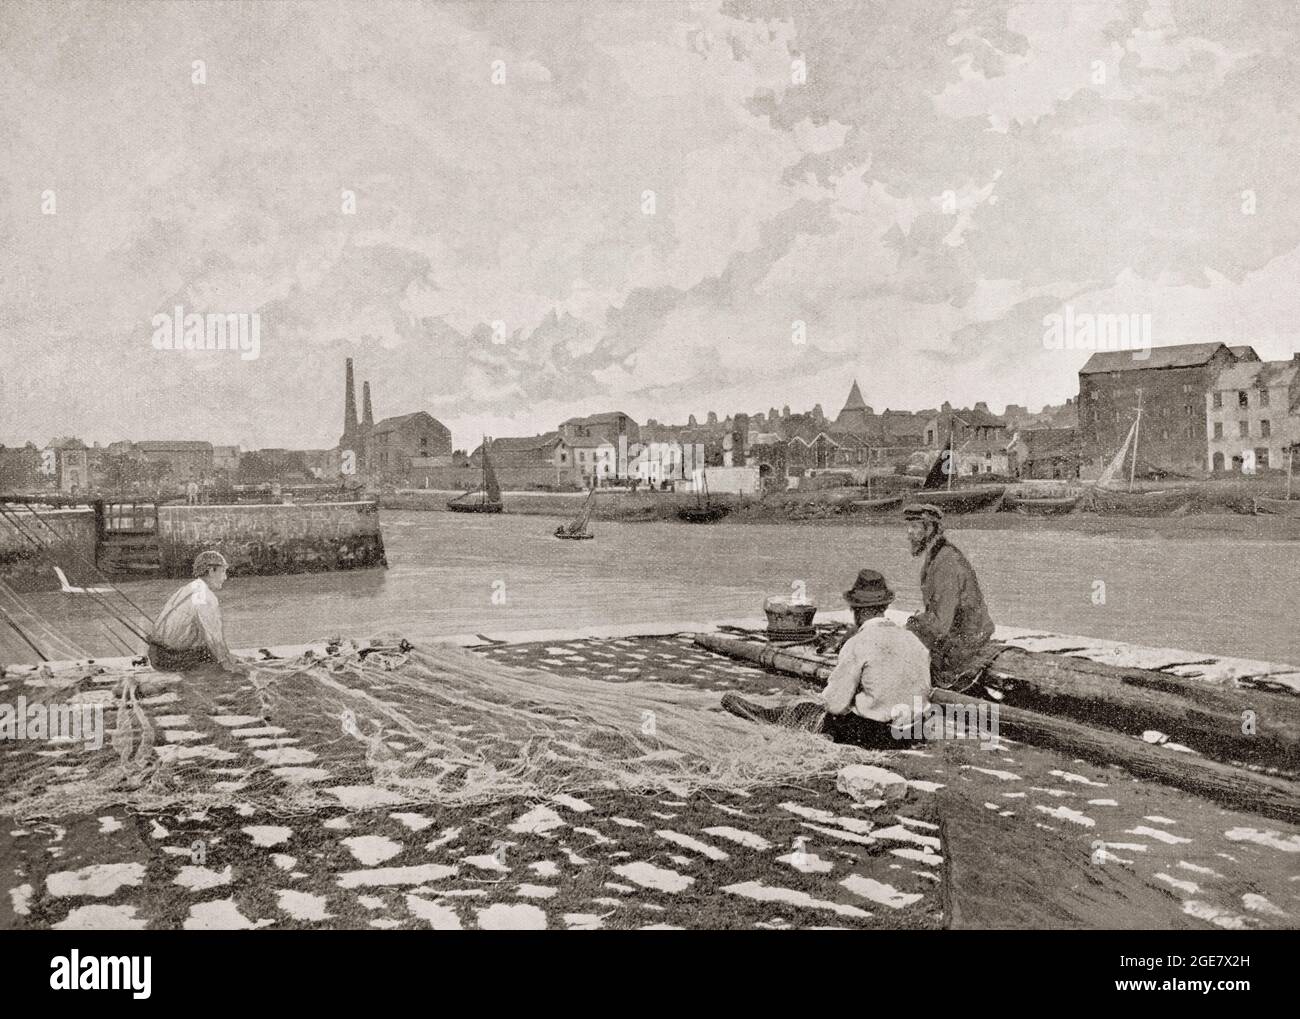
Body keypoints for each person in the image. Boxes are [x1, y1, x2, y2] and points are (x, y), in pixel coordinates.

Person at [721, 569, 930, 748]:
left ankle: (765, 717)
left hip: (877, 736)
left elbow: (835, 705)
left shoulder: (858, 643)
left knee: (809, 710)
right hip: (913, 731)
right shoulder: (914, 641)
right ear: (884, 607)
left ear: (855, 610)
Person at [901, 503, 998, 692]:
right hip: (957, 635)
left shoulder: (946, 563)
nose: (908, 533)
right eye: (908, 526)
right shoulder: (937, 556)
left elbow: (940, 624)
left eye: (914, 527)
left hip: (966, 642)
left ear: (929, 529)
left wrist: (912, 626)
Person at [146, 550, 249, 673]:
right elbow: (213, 636)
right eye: (223, 572)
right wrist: (226, 664)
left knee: (205, 643)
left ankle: (227, 657)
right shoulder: (204, 596)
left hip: (157, 653)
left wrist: (225, 655)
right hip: (169, 659)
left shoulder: (190, 587)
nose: (225, 577)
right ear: (211, 571)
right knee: (216, 658)